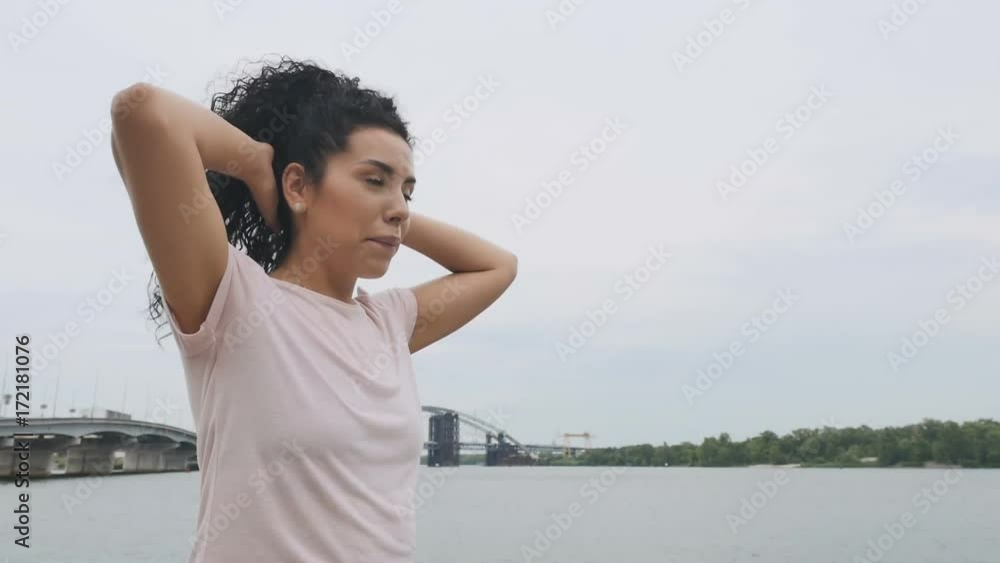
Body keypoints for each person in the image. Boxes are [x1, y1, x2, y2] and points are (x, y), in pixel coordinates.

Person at [109, 56, 517, 562]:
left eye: (408, 190)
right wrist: (259, 162)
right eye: (374, 179)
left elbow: (498, 267)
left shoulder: (387, 323)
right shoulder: (233, 300)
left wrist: (386, 211)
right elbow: (142, 114)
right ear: (299, 186)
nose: (401, 208)